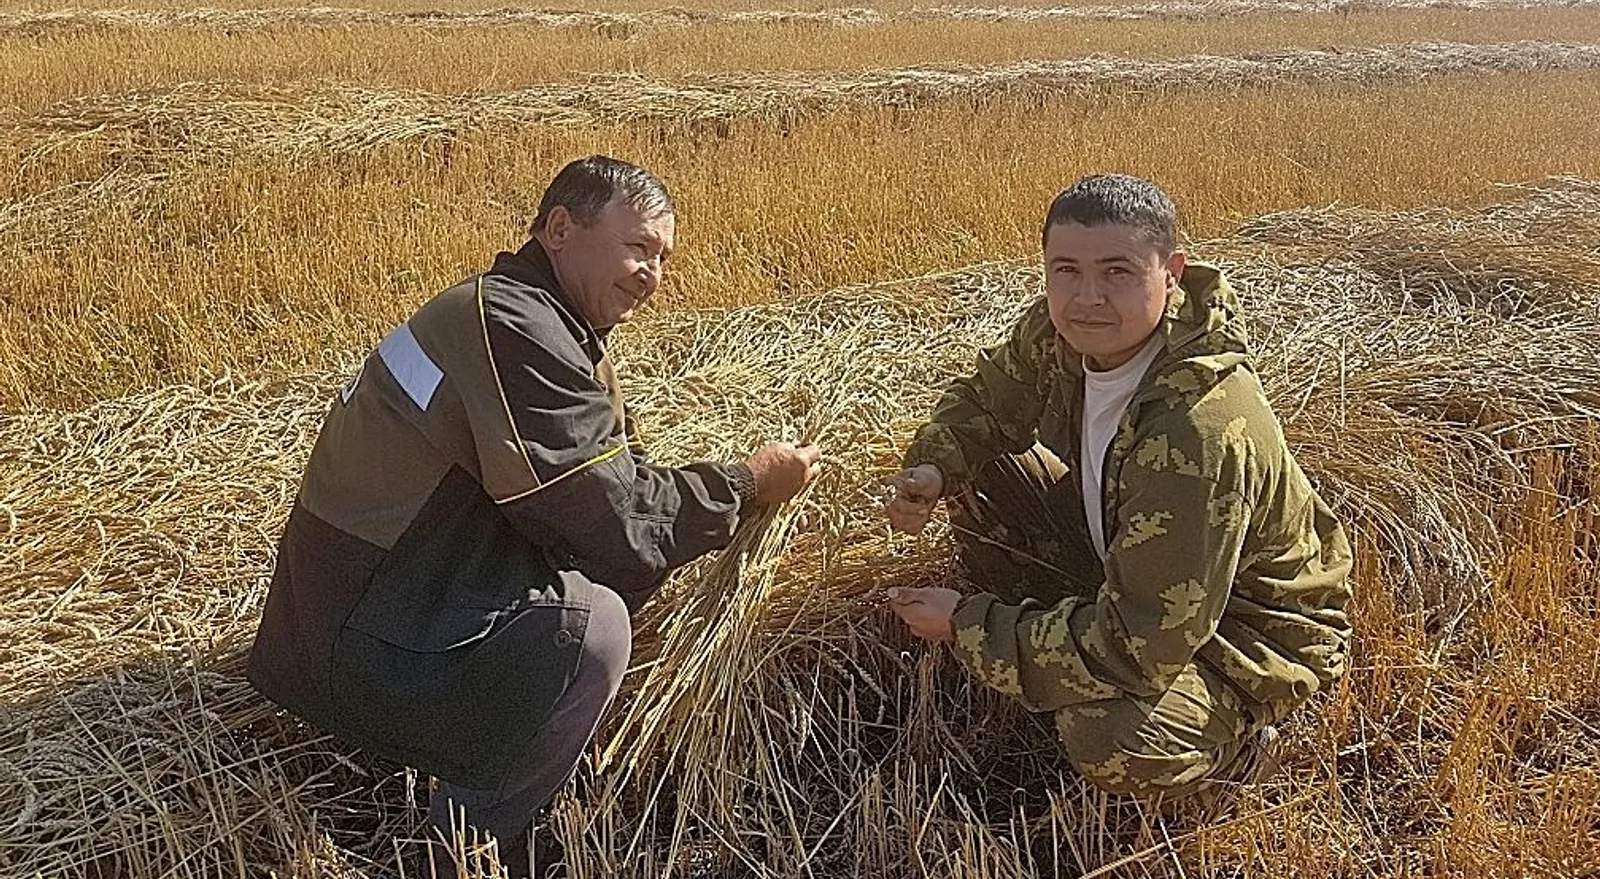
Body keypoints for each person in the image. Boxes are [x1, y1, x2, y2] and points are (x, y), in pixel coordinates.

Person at [248, 155, 820, 876]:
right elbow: (615, 520)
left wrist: (695, 512)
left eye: (664, 258)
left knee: (611, 581)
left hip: (372, 593)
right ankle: (464, 844)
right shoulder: (514, 328)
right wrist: (745, 485)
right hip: (355, 630)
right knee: (594, 633)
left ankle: (519, 746)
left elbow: (615, 497)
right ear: (559, 228)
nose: (653, 274)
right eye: (637, 246)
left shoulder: (525, 316)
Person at [884, 173, 1352, 799]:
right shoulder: (1064, 332)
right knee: (981, 475)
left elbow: (1140, 646)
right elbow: (990, 398)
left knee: (1110, 741)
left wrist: (968, 625)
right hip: (1135, 564)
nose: (1087, 297)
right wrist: (933, 469)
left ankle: (1239, 748)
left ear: (1172, 273)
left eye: (1118, 272)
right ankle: (1057, 635)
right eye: (1066, 270)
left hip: (1245, 632)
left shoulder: (1195, 433)